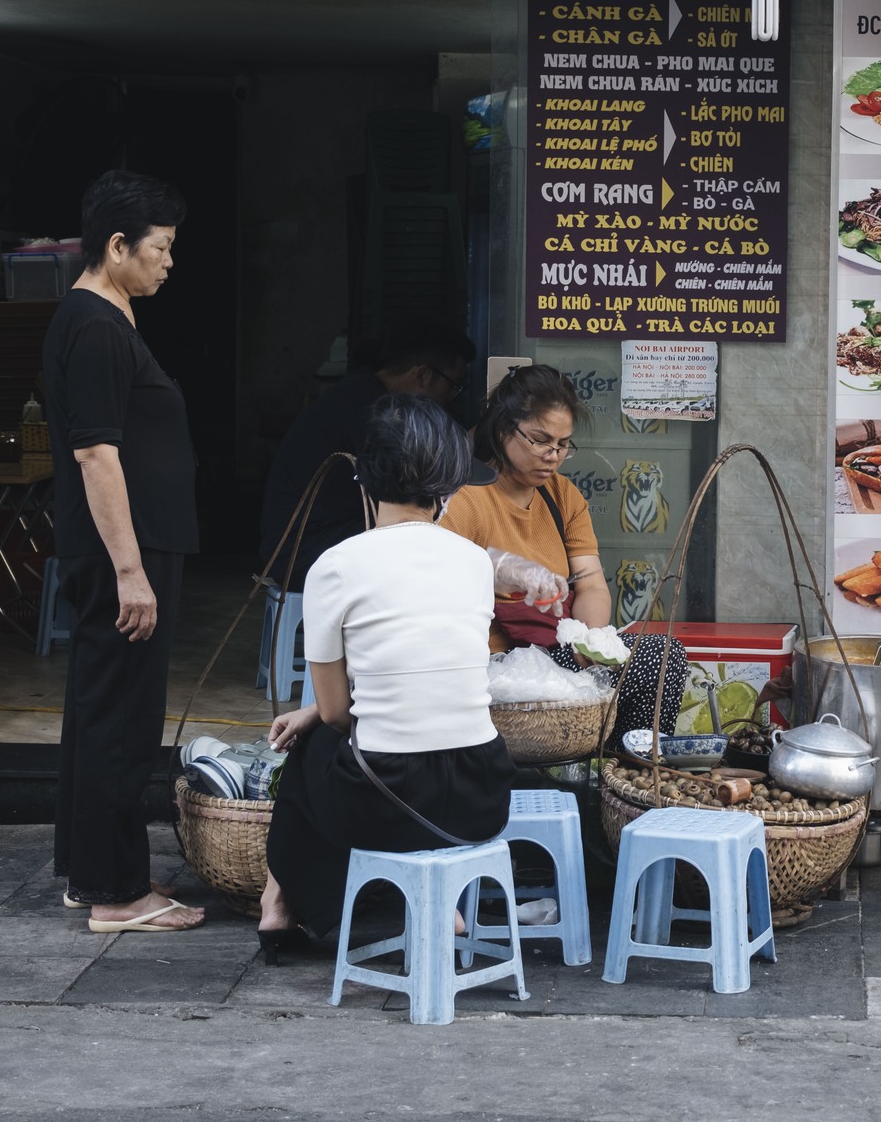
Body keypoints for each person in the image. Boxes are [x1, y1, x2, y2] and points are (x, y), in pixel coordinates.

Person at [257, 393, 515, 952]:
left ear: (364, 484)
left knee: (312, 748)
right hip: (482, 796)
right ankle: (438, 901)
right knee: (336, 740)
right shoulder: (474, 562)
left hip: (383, 801)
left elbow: (332, 714)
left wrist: (309, 718)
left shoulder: (336, 566)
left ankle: (279, 903)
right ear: (448, 491)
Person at [45, 169, 205, 934]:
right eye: (160, 248)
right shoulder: (97, 327)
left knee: (99, 706)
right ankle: (118, 892)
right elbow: (95, 455)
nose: (169, 262)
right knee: (122, 717)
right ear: (117, 247)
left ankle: (88, 873)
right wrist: (131, 569)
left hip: (125, 549)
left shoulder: (104, 317)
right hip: (122, 555)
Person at [441, 364, 687, 744]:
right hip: (494, 665)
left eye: (562, 444)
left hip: (559, 653)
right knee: (653, 656)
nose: (552, 455)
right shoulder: (464, 499)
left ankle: (624, 771)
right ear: (504, 428)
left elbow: (590, 585)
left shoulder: (562, 496)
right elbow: (438, 582)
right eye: (539, 440)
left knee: (661, 655)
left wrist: (588, 645)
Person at [258, 323, 474, 581]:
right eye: (452, 385)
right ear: (423, 375)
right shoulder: (373, 411)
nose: (451, 397)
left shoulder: (360, 393)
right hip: (305, 553)